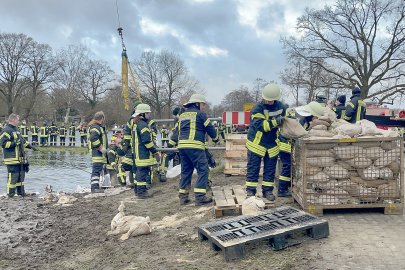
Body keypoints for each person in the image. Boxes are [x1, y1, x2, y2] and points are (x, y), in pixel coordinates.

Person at [171, 94, 219, 206]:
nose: (204, 107)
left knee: (186, 171)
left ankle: (183, 197)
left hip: (182, 147)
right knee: (203, 170)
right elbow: (210, 129)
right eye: (203, 104)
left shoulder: (182, 115)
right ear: (197, 104)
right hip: (195, 146)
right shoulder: (201, 115)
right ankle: (200, 197)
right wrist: (216, 139)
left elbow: (177, 131)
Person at [245, 83, 286, 201]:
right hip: (256, 144)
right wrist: (276, 122)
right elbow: (263, 126)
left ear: (276, 99)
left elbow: (284, 120)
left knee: (270, 169)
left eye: (271, 100)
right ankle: (250, 192)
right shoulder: (257, 109)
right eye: (267, 100)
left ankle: (267, 191)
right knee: (253, 168)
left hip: (272, 143)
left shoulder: (281, 107)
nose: (268, 102)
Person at [278, 102, 326, 197]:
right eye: (315, 116)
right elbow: (299, 134)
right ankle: (282, 190)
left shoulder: (299, 114)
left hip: (286, 142)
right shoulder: (303, 119)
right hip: (285, 144)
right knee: (287, 165)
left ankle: (287, 186)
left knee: (289, 166)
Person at [0, 113, 37, 197]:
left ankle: (20, 193)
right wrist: (14, 143)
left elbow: (22, 141)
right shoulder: (6, 130)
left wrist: (30, 146)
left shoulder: (16, 129)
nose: (18, 121)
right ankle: (11, 194)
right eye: (17, 120)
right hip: (11, 158)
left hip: (20, 158)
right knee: (13, 176)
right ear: (13, 120)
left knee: (21, 176)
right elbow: (3, 144)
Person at [127, 104, 160, 199]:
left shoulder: (139, 124)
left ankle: (138, 191)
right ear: (143, 114)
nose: (149, 115)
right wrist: (154, 152)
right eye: (147, 113)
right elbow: (147, 141)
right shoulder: (143, 125)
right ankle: (142, 192)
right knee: (142, 172)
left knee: (139, 172)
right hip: (143, 154)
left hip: (139, 153)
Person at [88, 112, 108, 193]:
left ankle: (95, 187)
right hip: (97, 153)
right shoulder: (96, 127)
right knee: (96, 170)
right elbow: (93, 138)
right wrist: (100, 147)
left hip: (98, 153)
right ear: (102, 119)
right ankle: (94, 188)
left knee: (97, 170)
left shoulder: (96, 127)